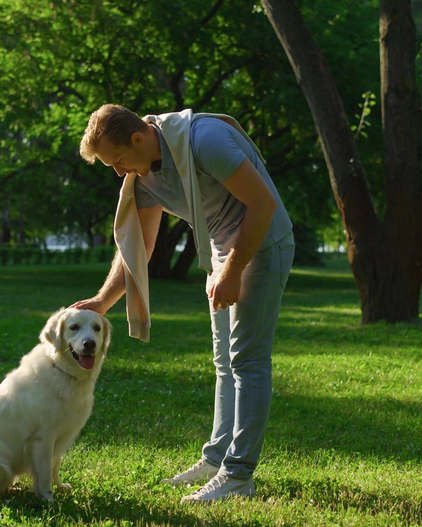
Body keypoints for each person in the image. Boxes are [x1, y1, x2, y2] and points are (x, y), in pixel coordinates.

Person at [71, 104, 294, 503]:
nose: (119, 173)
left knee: (247, 359)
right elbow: (138, 243)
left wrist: (230, 272)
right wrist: (103, 301)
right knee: (224, 361)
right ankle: (216, 459)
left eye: (119, 161)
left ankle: (238, 475)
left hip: (262, 243)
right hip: (222, 251)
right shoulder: (143, 175)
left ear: (138, 138)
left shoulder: (203, 141)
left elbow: (263, 205)